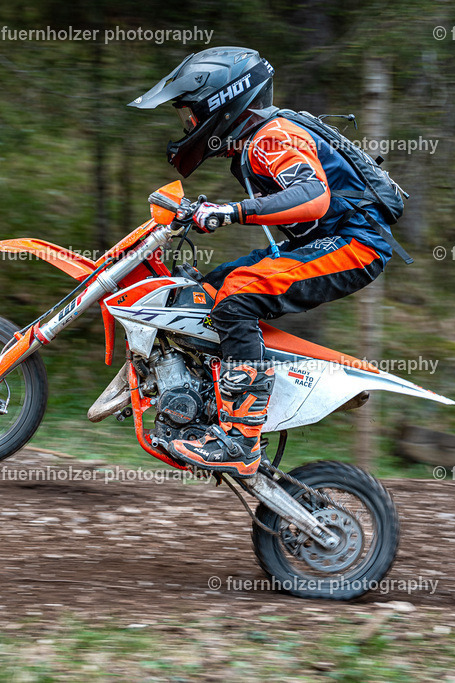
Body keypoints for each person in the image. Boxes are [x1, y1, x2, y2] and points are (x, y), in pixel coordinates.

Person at [129, 46, 393, 478]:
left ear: (221, 103)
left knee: (235, 296)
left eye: (190, 115)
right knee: (210, 289)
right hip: (328, 241)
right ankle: (203, 404)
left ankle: (240, 437)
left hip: (354, 246)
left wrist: (229, 211)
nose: (188, 126)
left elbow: (313, 196)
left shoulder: (273, 136)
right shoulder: (257, 139)